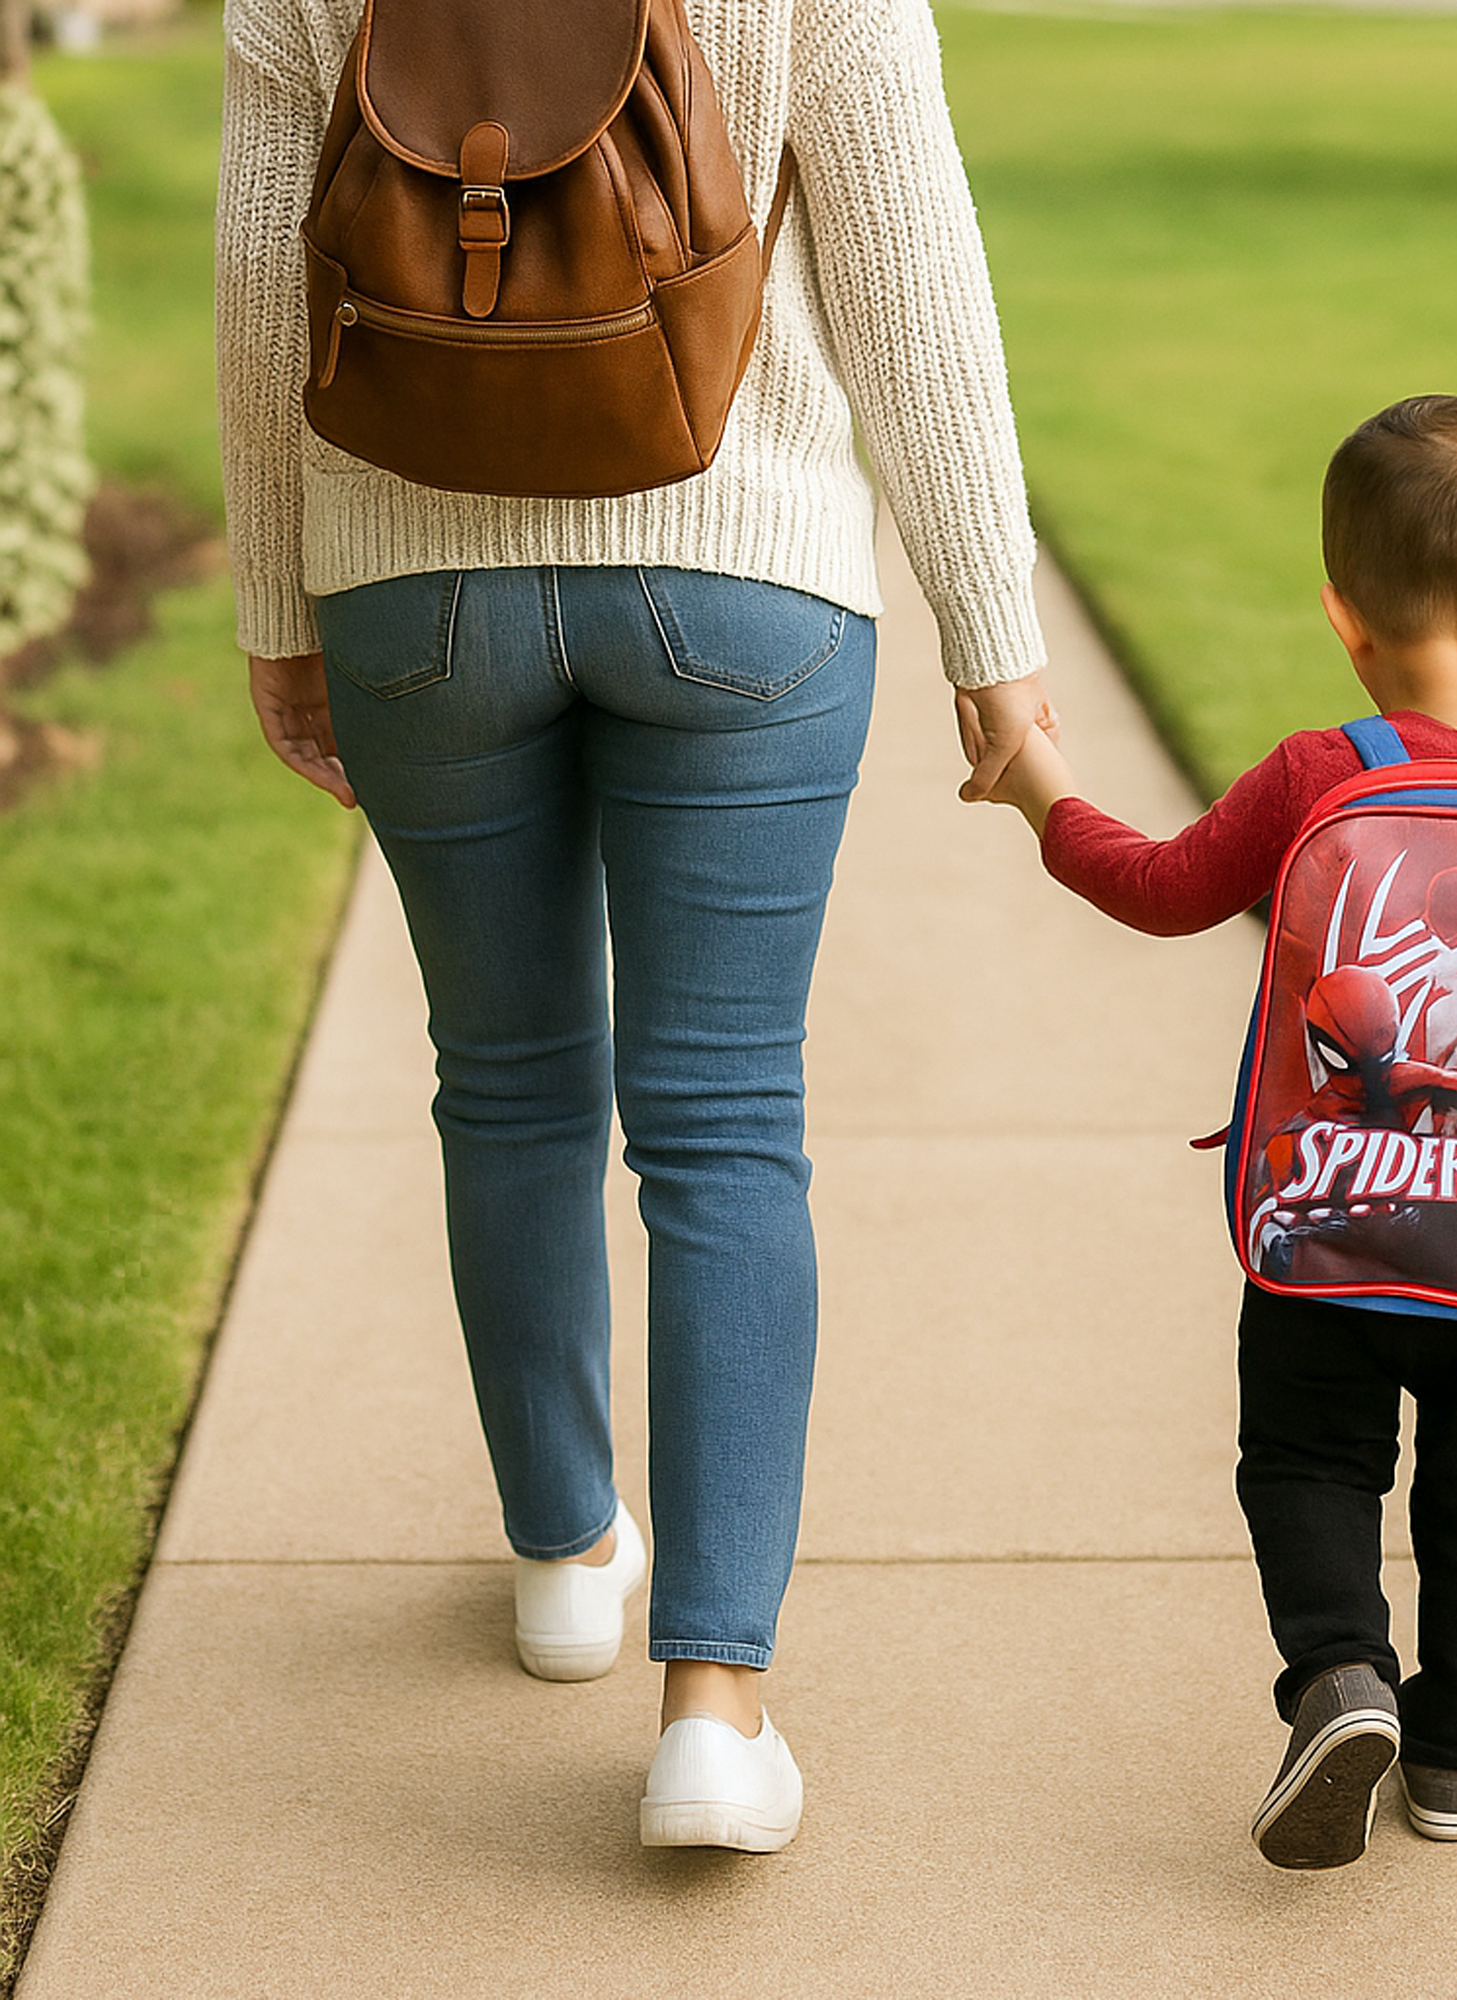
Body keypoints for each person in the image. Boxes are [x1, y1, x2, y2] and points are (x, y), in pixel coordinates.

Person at [216, 0, 1053, 1855]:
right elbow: (909, 256)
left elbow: (263, 274)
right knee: (727, 1123)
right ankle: (714, 1716)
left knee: (507, 1081)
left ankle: (563, 1560)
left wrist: (283, 606)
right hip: (742, 562)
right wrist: (993, 640)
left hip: (414, 580)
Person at [979, 395, 1457, 1869]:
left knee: (1306, 1461)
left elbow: (1156, 888)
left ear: (1344, 619)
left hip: (1332, 1220)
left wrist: (1038, 786)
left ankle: (1340, 1671)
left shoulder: (1320, 775)